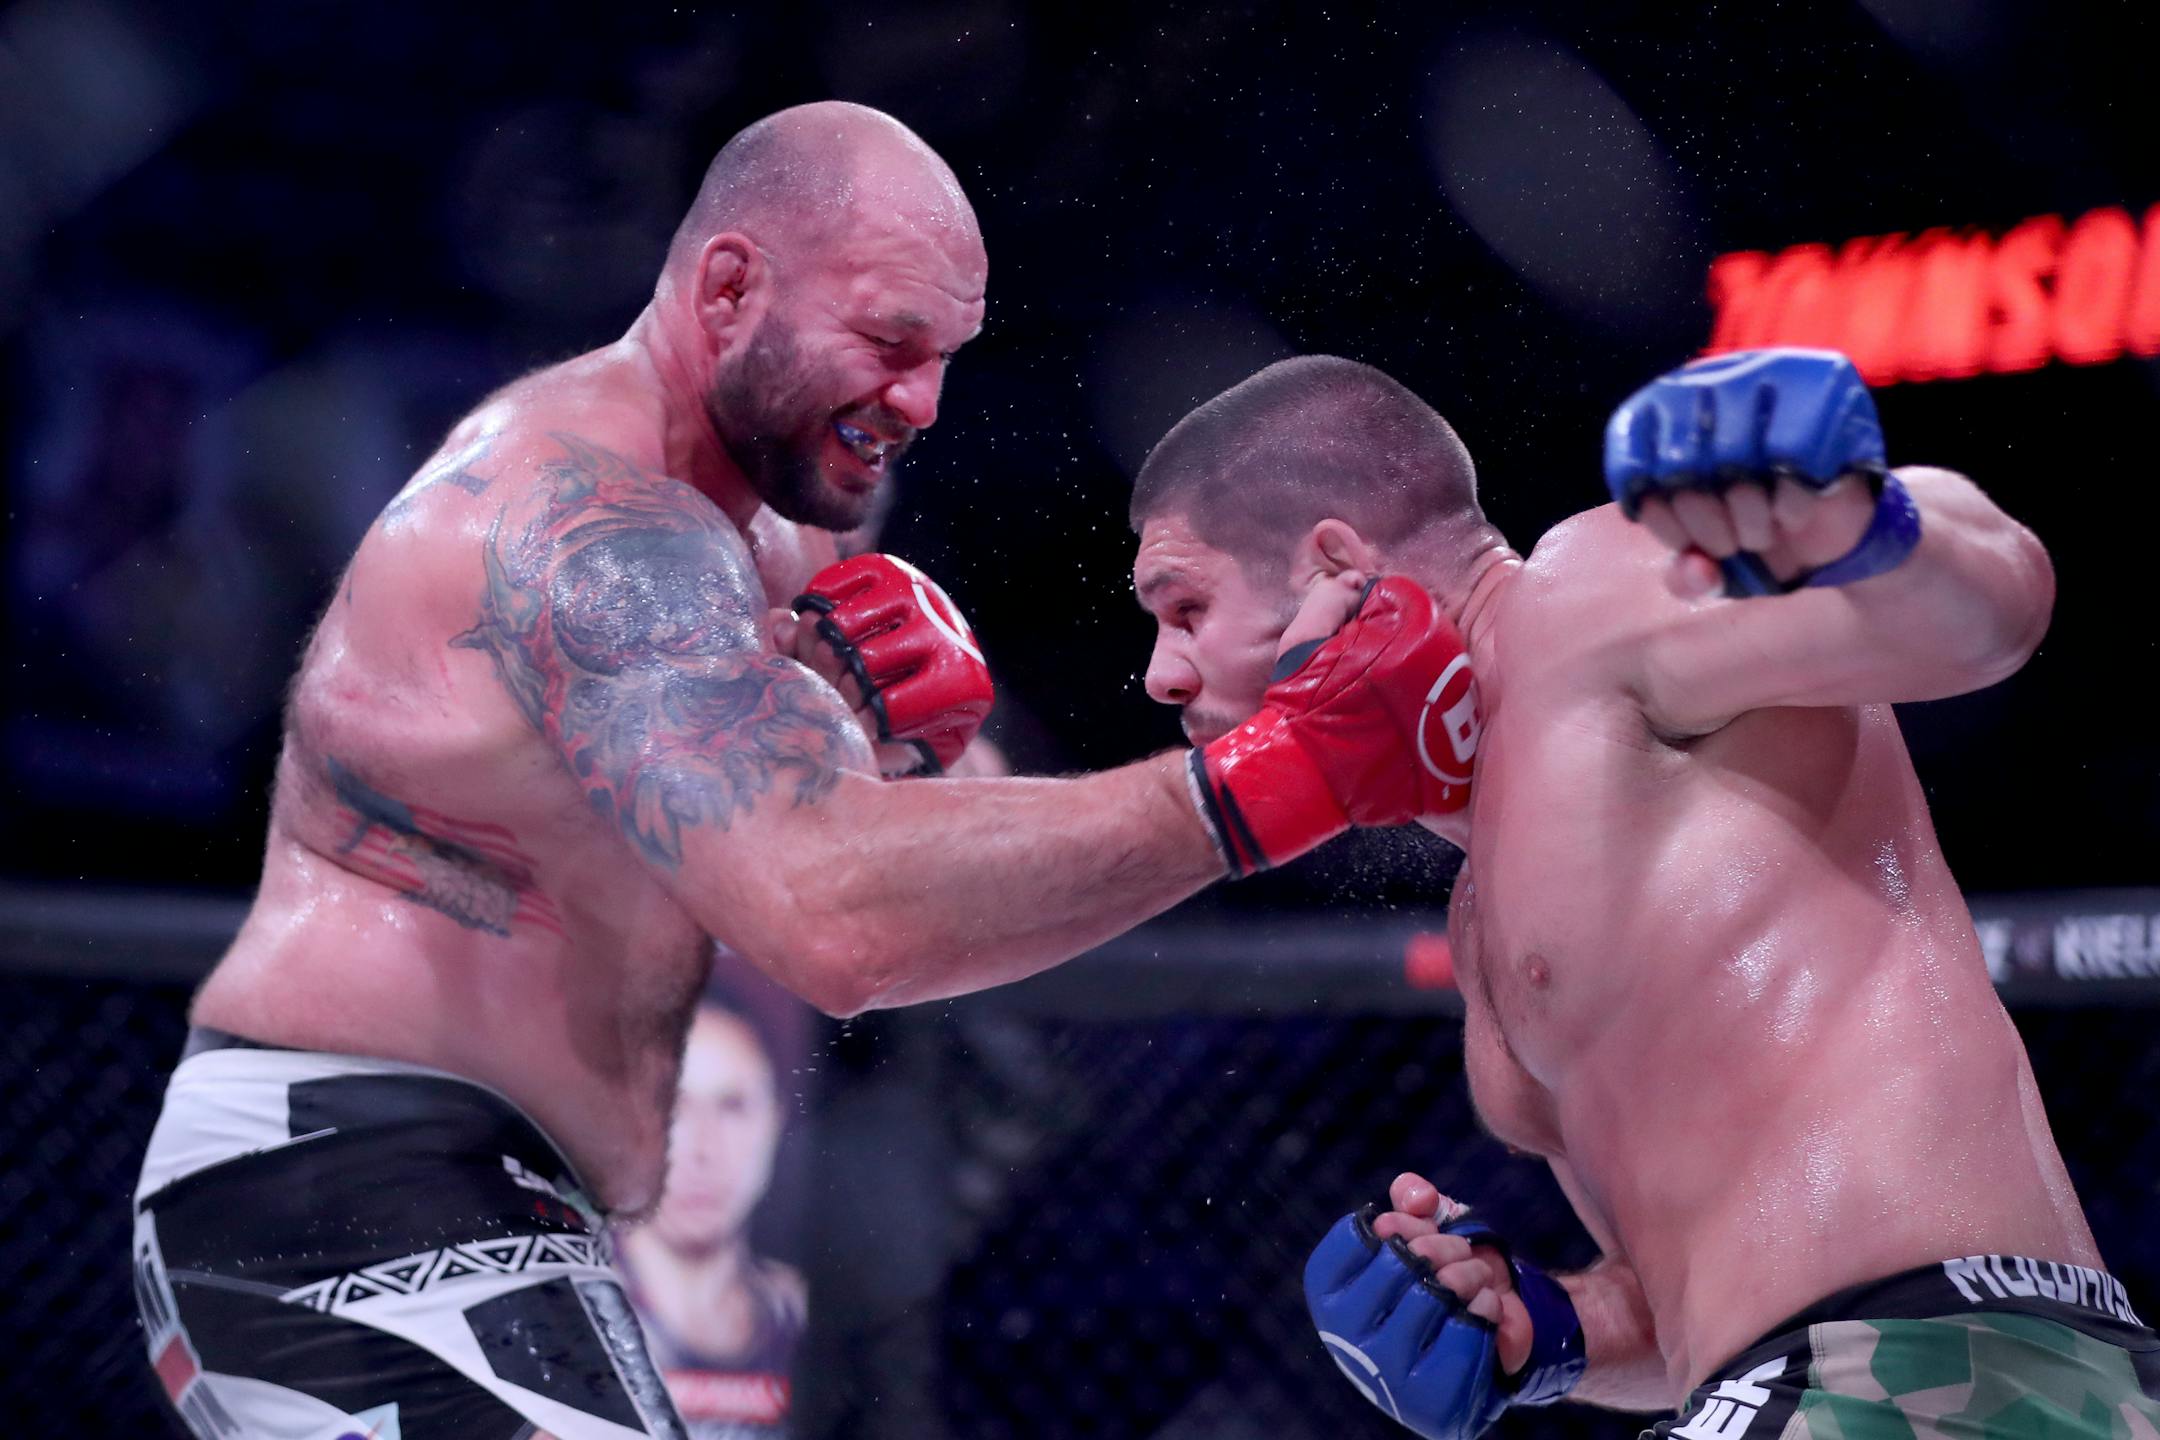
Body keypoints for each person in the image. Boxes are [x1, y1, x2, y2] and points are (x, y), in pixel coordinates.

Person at [132, 101, 1465, 1439]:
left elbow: (918, 896)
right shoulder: (593, 527)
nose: (921, 401)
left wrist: (935, 757)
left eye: (945, 357)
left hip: (495, 1194)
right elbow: (833, 922)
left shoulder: (781, 534)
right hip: (341, 1177)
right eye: (888, 342)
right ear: (730, 289)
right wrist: (1287, 773)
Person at [1126, 350, 2160, 1439]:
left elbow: (1991, 607)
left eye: (1185, 607)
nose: (1161, 675)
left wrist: (1851, 517)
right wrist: (1538, 1330)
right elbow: (1694, 1324)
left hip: (1935, 1361)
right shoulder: (1483, 918)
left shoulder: (1580, 604)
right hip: (1897, 1385)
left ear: (1332, 562)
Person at [618, 974, 809, 1440]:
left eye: (733, 1106)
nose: (704, 1149)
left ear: (775, 1121)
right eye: (673, 1107)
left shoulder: (810, 1320)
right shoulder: (566, 1315)